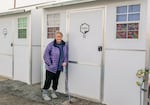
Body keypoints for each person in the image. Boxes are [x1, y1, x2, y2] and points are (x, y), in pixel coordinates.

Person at [42, 32, 68, 101]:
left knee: (56, 81)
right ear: (55, 37)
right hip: (51, 68)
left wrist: (65, 62)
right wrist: (50, 64)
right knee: (48, 80)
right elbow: (46, 55)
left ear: (62, 37)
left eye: (60, 36)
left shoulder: (64, 45)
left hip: (59, 67)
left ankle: (53, 92)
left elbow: (65, 55)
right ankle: (44, 94)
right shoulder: (51, 45)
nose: (58, 38)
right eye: (57, 36)